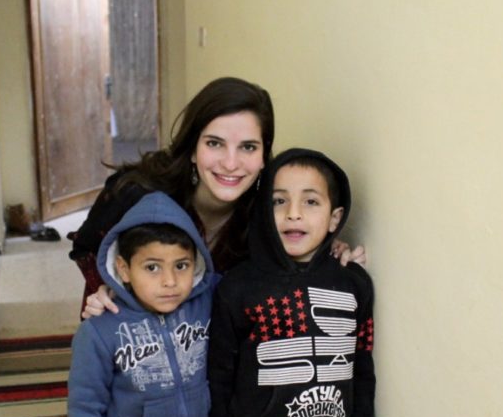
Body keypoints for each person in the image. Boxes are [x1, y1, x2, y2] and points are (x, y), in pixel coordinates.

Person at [68, 76, 364, 321]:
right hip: (128, 340)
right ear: (193, 148)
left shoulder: (269, 211)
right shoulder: (135, 193)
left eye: (248, 147)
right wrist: (108, 289)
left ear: (264, 156)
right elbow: (87, 248)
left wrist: (331, 248)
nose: (231, 163)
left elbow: (295, 246)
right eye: (215, 144)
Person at [208, 148, 376, 417]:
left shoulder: (353, 284)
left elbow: (363, 364)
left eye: (311, 202)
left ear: (335, 219)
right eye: (279, 201)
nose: (294, 214)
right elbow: (220, 373)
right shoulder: (239, 287)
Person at [68, 191, 219, 417]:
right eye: (152, 267)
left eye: (182, 265)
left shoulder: (206, 301)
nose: (170, 281)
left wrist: (326, 255)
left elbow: (259, 282)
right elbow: (85, 407)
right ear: (123, 269)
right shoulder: (99, 331)